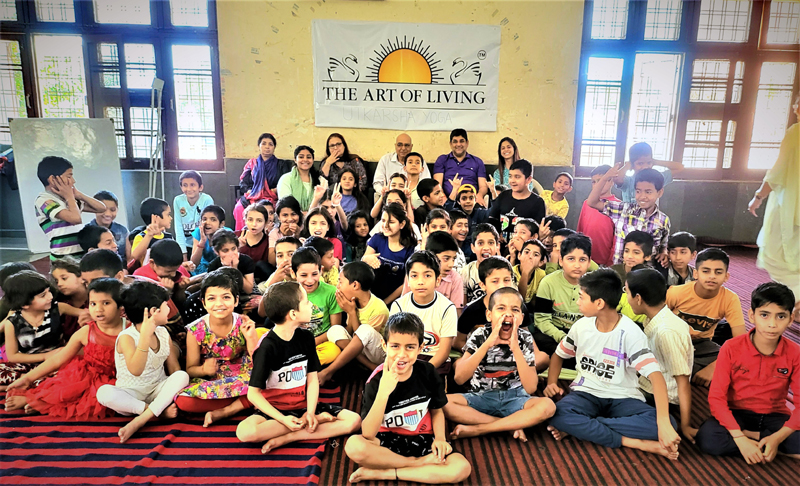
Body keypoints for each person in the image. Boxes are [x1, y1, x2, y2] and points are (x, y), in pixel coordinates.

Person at [544, 269, 681, 459]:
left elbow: (656, 378)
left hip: (623, 398)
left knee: (670, 424)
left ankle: (585, 427)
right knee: (555, 414)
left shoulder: (631, 333)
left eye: (581, 297)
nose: (578, 302)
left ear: (599, 303)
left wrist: (664, 423)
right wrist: (551, 382)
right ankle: (635, 443)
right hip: (586, 393)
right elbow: (558, 355)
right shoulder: (581, 326)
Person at [344, 313, 472, 484]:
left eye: (410, 347)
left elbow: (437, 410)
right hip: (386, 440)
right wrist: (383, 392)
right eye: (395, 346)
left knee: (461, 468)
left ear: (420, 348)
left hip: (422, 438)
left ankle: (387, 473)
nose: (402, 354)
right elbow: (367, 433)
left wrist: (440, 439)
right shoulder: (375, 381)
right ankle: (416, 465)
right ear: (384, 345)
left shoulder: (428, 372)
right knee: (354, 446)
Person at [236, 281, 361, 453]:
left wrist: (310, 412)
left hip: (304, 405)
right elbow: (253, 394)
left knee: (354, 421)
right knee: (245, 432)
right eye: (306, 302)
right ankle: (309, 424)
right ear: (293, 314)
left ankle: (293, 435)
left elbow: (312, 379)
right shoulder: (267, 347)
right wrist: (283, 419)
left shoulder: (306, 337)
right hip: (276, 410)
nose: (311, 305)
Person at [695, 282, 800, 463]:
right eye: (764, 315)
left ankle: (764, 442)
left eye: (781, 316)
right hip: (737, 413)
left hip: (774, 416)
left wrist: (777, 437)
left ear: (791, 319)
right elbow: (716, 398)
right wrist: (739, 438)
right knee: (708, 437)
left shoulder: (795, 352)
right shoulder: (731, 347)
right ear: (752, 315)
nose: (772, 324)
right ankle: (763, 446)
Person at [5, 278, 127, 419]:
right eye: (93, 303)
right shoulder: (86, 331)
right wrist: (27, 379)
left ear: (121, 306)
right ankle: (39, 401)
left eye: (106, 303)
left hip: (121, 379)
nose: (98, 309)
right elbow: (57, 360)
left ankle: (44, 404)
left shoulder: (131, 330)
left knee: (108, 398)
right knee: (66, 390)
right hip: (86, 375)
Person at [446, 287, 555, 441]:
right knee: (444, 403)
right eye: (501, 308)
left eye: (515, 310)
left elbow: (531, 388)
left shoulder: (525, 338)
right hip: (481, 396)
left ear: (522, 318)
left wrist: (516, 348)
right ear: (489, 315)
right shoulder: (480, 335)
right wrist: (487, 344)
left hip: (516, 398)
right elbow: (459, 378)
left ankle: (480, 429)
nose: (508, 314)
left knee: (548, 406)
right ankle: (509, 425)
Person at [95, 281, 189, 443]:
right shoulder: (127, 338)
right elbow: (136, 370)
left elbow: (174, 368)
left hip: (157, 390)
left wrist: (179, 389)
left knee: (181, 376)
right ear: (154, 311)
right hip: (131, 396)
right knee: (103, 393)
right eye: (166, 305)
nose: (169, 309)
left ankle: (144, 416)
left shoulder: (162, 332)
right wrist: (145, 337)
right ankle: (150, 414)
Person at [175, 271, 259, 427]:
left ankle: (228, 409)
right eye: (212, 298)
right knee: (183, 401)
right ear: (204, 303)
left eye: (226, 297)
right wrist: (204, 370)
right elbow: (190, 369)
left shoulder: (244, 322)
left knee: (268, 378)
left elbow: (259, 362)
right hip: (214, 380)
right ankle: (246, 402)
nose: (219, 304)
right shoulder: (195, 330)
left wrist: (251, 338)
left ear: (236, 301)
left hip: (243, 375)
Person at [626, 268, 695, 443]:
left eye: (626, 291)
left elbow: (682, 381)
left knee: (611, 400)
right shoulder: (655, 318)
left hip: (661, 396)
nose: (626, 297)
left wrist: (685, 424)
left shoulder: (666, 332)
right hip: (648, 384)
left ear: (638, 298)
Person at [747, 97, 800, 321]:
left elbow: (777, 173)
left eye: (798, 104)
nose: (795, 108)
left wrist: (758, 196)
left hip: (790, 206)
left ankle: (794, 301)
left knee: (781, 256)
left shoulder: (795, 132)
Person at [666, 248, 745, 387]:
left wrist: (714, 367)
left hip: (701, 346)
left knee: (740, 364)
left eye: (718, 272)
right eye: (706, 271)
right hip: (672, 342)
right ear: (695, 273)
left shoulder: (730, 299)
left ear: (726, 276)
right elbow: (654, 323)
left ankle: (682, 371)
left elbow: (741, 341)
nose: (712, 276)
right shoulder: (676, 293)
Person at [454, 258, 546, 368]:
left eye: (506, 280)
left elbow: (529, 341)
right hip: (483, 359)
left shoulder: (519, 307)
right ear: (483, 285)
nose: (502, 285)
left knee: (543, 358)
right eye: (495, 281)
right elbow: (458, 342)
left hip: (514, 359)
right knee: (458, 365)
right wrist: (479, 355)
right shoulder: (472, 310)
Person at [317, 262, 390, 385]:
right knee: (335, 330)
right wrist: (351, 312)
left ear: (355, 285)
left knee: (365, 329)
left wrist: (351, 312)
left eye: (340, 282)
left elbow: (362, 339)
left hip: (379, 353)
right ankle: (368, 366)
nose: (337, 286)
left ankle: (329, 371)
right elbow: (350, 331)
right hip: (361, 352)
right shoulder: (352, 302)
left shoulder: (378, 308)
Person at [0, 271, 74, 388]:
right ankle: (33, 383)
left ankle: (26, 384)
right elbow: (13, 356)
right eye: (43, 295)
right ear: (24, 303)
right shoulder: (12, 323)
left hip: (57, 362)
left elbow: (84, 313)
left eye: (48, 291)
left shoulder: (58, 308)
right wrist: (45, 356)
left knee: (70, 375)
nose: (50, 296)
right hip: (28, 365)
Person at [587, 164, 671, 266]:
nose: (642, 196)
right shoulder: (623, 210)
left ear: (660, 192)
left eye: (648, 192)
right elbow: (592, 202)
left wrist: (664, 253)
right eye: (638, 191)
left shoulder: (663, 220)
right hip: (620, 273)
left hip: (647, 276)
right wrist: (605, 178)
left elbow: (663, 245)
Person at [390, 251, 457, 374]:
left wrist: (421, 372)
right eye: (414, 276)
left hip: (435, 361)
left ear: (438, 280)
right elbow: (394, 344)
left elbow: (444, 351)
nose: (420, 281)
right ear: (408, 281)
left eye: (427, 275)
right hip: (405, 357)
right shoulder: (399, 306)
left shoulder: (447, 308)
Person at [34, 156, 106, 261]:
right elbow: (75, 219)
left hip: (81, 254)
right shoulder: (44, 200)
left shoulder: (69, 200)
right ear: (53, 179)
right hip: (62, 259)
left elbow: (101, 208)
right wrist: (69, 197)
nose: (73, 181)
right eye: (69, 176)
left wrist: (80, 195)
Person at [533, 234, 592, 359]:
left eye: (582, 259)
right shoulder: (548, 282)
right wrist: (563, 338)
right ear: (560, 260)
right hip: (554, 333)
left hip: (582, 336)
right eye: (571, 259)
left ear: (589, 262)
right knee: (540, 340)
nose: (577, 265)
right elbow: (542, 320)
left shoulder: (595, 286)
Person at [292, 247, 343, 365]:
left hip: (319, 343)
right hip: (292, 340)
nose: (310, 280)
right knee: (259, 332)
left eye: (314, 274)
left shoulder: (331, 292)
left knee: (333, 351)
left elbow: (334, 329)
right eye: (304, 275)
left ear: (321, 271)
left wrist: (311, 343)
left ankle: (296, 364)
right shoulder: (289, 291)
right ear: (294, 274)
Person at [235, 133, 293, 231]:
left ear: (274, 147)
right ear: (259, 146)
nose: (267, 147)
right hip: (253, 195)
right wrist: (249, 190)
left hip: (272, 196)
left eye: (270, 144)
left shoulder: (281, 164)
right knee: (239, 207)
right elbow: (243, 182)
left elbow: (286, 181)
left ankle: (270, 233)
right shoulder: (252, 163)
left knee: (268, 209)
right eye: (264, 144)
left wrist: (276, 190)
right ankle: (242, 234)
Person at [363, 203, 417, 305]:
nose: (385, 225)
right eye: (383, 221)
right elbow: (364, 261)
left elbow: (407, 282)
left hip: (396, 298)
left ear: (402, 224)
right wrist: (366, 259)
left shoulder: (410, 248)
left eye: (391, 222)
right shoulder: (377, 239)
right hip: (372, 294)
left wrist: (385, 302)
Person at [400, 231, 464, 310]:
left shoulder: (455, 279)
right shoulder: (414, 274)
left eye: (453, 259)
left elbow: (457, 311)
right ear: (431, 255)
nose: (451, 264)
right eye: (446, 258)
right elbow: (404, 304)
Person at [487, 160, 546, 242]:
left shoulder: (537, 202)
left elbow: (536, 231)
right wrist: (495, 236)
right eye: (510, 176)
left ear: (528, 179)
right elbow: (492, 220)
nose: (512, 180)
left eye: (517, 177)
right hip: (500, 247)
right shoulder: (503, 196)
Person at [576, 165, 619, 266]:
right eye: (593, 182)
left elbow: (617, 238)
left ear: (611, 181)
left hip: (605, 261)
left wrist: (610, 261)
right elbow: (580, 230)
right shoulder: (587, 203)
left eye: (600, 181)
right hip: (585, 258)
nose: (596, 185)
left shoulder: (617, 206)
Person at [614, 142, 683, 204]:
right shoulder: (628, 181)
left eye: (649, 163)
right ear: (632, 164)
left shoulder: (658, 178)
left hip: (651, 217)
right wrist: (627, 165)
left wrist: (656, 162)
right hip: (630, 217)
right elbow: (616, 178)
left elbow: (679, 167)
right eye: (640, 163)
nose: (645, 167)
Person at [434, 128, 488, 204]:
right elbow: (437, 185)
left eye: (462, 141)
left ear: (467, 143)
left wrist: (480, 195)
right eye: (455, 141)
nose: (458, 144)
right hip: (448, 201)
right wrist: (444, 198)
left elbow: (483, 186)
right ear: (450, 144)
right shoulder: (442, 160)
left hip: (472, 202)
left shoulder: (477, 161)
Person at [173, 170, 214, 256]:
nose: (189, 189)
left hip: (203, 244)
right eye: (185, 185)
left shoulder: (207, 200)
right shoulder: (178, 200)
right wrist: (183, 253)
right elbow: (178, 228)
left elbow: (210, 227)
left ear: (200, 187)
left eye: (192, 185)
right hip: (186, 246)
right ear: (181, 187)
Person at [459, 224, 502, 304]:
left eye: (491, 243)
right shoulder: (466, 271)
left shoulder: (504, 270)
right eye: (480, 243)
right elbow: (463, 305)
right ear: (473, 248)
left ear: (497, 246)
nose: (486, 248)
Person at [207, 229, 256, 294]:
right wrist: (226, 269)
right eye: (225, 250)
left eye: (233, 249)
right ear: (217, 252)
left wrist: (234, 270)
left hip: (246, 296)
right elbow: (214, 291)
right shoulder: (213, 265)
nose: (231, 253)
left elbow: (249, 290)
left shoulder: (246, 261)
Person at [277, 145, 323, 212]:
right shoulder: (286, 179)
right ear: (295, 160)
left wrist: (309, 215)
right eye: (301, 157)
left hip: (314, 219)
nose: (305, 160)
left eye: (309, 157)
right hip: (292, 218)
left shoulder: (321, 180)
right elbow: (285, 204)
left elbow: (323, 204)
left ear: (313, 160)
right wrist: (300, 215)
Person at [51, 257, 88, 339]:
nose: (59, 284)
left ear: (82, 278)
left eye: (64, 278)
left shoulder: (95, 300)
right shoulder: (60, 301)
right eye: (57, 281)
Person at [87, 190, 129, 262]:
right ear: (93, 209)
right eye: (103, 210)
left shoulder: (123, 230)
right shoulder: (87, 232)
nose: (108, 214)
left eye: (112, 210)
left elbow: (129, 257)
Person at [131, 197, 174, 265]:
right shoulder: (141, 237)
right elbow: (135, 256)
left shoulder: (169, 236)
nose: (171, 218)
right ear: (156, 217)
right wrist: (149, 235)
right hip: (147, 275)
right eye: (168, 214)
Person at [238, 204, 271, 283]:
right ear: (245, 220)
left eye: (259, 221)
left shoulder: (269, 240)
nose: (254, 224)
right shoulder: (235, 236)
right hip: (239, 278)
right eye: (250, 220)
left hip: (261, 281)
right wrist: (236, 247)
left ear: (265, 223)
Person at [268, 197, 303, 266]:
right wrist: (284, 237)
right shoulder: (274, 233)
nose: (290, 219)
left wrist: (297, 235)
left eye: (293, 214)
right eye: (285, 215)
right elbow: (271, 261)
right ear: (278, 217)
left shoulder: (305, 228)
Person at [514, 239, 548, 304]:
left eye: (536, 255)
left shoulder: (541, 275)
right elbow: (518, 301)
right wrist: (525, 273)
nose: (530, 256)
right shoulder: (511, 273)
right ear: (519, 255)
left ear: (541, 262)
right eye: (526, 252)